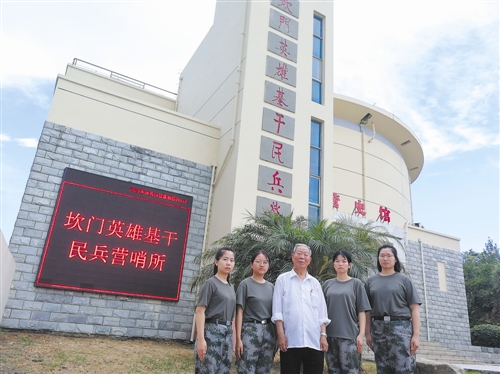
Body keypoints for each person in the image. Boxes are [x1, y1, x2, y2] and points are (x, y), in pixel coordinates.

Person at [272, 243, 330, 374]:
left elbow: (321, 313)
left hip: (314, 340)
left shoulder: (315, 283)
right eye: (299, 254)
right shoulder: (282, 280)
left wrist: (323, 336)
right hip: (290, 340)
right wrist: (280, 334)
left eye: (305, 255)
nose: (302, 257)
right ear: (293, 257)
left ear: (310, 260)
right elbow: (277, 311)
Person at [365, 244, 421, 374]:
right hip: (378, 328)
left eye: (389, 255)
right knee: (382, 367)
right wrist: (368, 333)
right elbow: (367, 311)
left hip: (401, 328)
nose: (385, 258)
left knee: (404, 368)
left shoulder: (404, 280)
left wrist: (416, 335)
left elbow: (415, 309)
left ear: (395, 259)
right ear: (378, 259)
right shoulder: (370, 282)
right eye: (382, 255)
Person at [322, 250, 371, 374]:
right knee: (333, 371)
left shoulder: (356, 284)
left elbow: (362, 310)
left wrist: (361, 334)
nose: (340, 264)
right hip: (330, 336)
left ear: (349, 265)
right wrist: (322, 334)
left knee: (351, 371)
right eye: (337, 261)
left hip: (349, 336)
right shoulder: (327, 284)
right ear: (333, 264)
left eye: (344, 261)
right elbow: (321, 311)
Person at [194, 247, 236, 374]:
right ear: (216, 261)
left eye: (232, 260)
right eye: (225, 259)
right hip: (211, 332)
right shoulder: (210, 284)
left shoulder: (230, 287)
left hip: (227, 334)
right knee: (207, 369)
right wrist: (201, 340)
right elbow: (200, 311)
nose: (229, 263)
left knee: (223, 370)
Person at [235, 250, 275, 374]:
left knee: (265, 368)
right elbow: (239, 312)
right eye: (258, 261)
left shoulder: (271, 287)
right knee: (247, 368)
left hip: (269, 331)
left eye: (265, 262)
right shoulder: (245, 284)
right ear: (251, 264)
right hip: (250, 329)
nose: (262, 265)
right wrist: (238, 339)